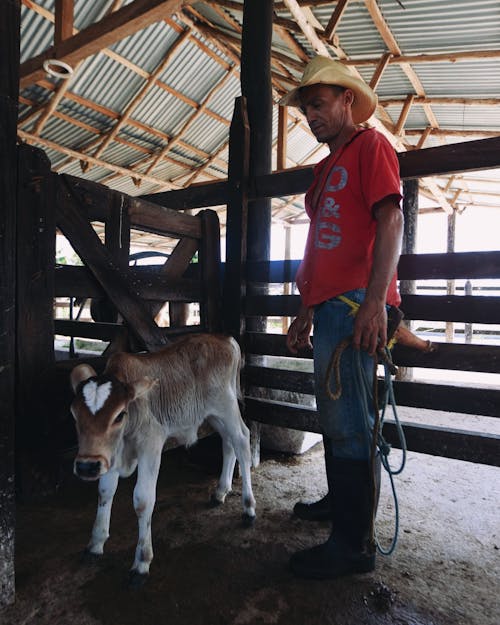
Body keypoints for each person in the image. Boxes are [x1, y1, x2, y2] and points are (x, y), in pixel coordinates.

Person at [280, 56, 404, 579]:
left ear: (347, 101)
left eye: (319, 103)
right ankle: (343, 506)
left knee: (349, 419)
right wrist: (305, 306)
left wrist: (376, 302)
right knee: (337, 416)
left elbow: (392, 218)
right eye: (306, 107)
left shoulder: (371, 146)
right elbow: (319, 246)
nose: (311, 114)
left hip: (357, 305)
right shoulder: (324, 170)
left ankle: (352, 546)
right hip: (328, 306)